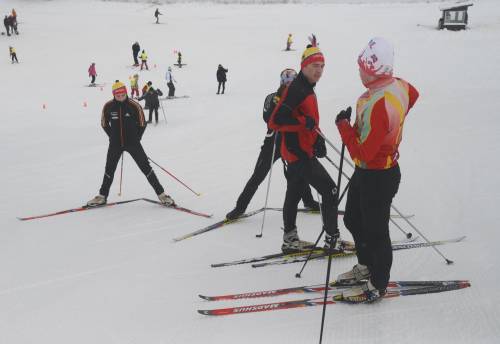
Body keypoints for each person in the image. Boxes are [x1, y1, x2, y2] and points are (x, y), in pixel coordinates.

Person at [334, 37, 419, 303]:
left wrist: (344, 126)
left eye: (363, 68)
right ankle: (366, 265)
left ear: (374, 70)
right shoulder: (399, 86)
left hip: (378, 175)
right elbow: (412, 95)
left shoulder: (380, 105)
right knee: (352, 219)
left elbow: (362, 152)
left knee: (376, 232)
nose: (359, 72)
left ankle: (378, 284)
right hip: (369, 172)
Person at [268, 35, 339, 254]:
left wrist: (316, 137)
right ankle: (331, 239)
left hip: (298, 151)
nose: (319, 70)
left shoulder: (307, 85)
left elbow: (308, 119)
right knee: (330, 191)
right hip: (298, 154)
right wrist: (303, 124)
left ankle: (290, 239)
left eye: (322, 66)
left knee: (294, 192)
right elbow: (276, 121)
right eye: (314, 66)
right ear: (304, 66)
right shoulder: (297, 89)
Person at [226, 68, 320, 221]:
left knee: (298, 173)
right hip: (273, 144)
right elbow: (268, 117)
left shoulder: (299, 98)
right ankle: (240, 207)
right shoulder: (272, 97)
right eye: (288, 84)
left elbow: (306, 119)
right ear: (282, 83)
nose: (291, 87)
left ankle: (308, 201)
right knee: (258, 175)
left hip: (291, 143)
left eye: (293, 84)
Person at [86, 81, 174, 207]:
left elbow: (142, 123)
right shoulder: (108, 106)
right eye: (118, 95)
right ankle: (102, 196)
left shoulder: (134, 105)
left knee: (146, 168)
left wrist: (136, 138)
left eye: (122, 94)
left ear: (126, 93)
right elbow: (104, 123)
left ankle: (162, 195)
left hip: (133, 143)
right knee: (109, 170)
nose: (120, 97)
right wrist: (112, 136)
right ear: (114, 94)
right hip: (115, 145)